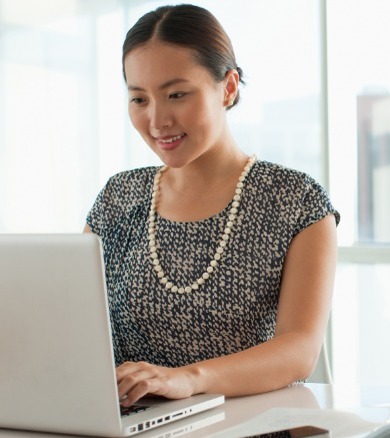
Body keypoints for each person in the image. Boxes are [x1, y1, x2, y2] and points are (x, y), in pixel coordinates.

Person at [84, 4, 339, 408]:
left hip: (244, 426)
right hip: (127, 426)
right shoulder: (118, 198)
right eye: (138, 99)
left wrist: (188, 379)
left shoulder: (295, 201)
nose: (157, 120)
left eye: (177, 94)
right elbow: (73, 327)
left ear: (229, 87)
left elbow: (299, 351)